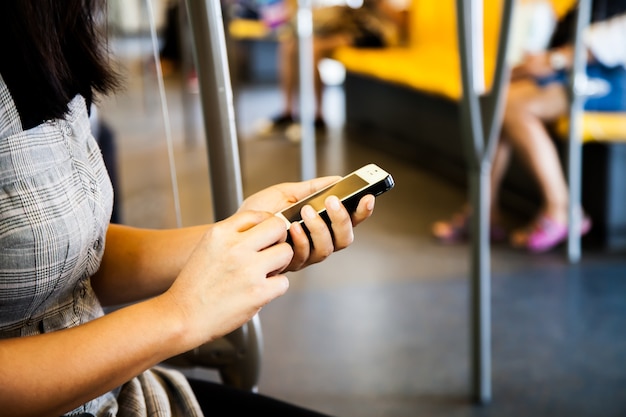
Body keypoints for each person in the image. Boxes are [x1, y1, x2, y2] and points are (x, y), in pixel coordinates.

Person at [0, 1, 376, 416]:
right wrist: (180, 315)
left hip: (118, 396)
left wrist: (240, 237)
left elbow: (71, 257)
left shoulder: (42, 34)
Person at [432, 0, 626, 253]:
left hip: (613, 75)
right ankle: (483, 211)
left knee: (512, 106)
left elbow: (613, 40)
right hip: (579, 66)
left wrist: (553, 60)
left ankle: (562, 209)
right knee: (494, 98)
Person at [256, 0, 411, 139]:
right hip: (357, 25)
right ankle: (288, 112)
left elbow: (401, 22)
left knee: (313, 48)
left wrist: (379, 3)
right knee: (288, 45)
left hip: (376, 34)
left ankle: (318, 117)